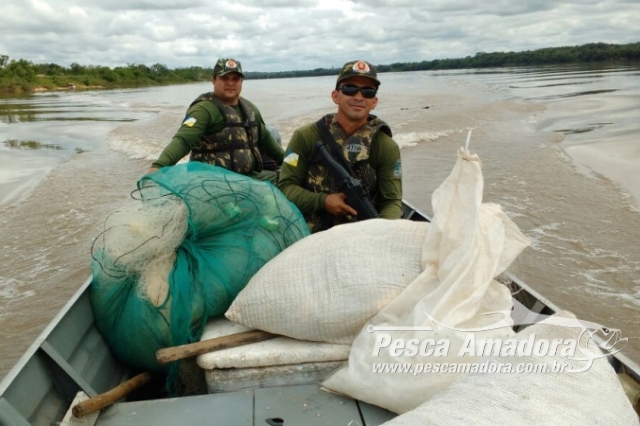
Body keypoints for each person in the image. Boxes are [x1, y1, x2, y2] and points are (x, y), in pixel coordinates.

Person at [278, 59, 403, 233]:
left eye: (368, 92)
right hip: (309, 231)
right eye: (350, 89)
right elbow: (285, 188)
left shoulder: (385, 146)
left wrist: (383, 231)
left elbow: (391, 201)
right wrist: (323, 201)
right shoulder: (305, 137)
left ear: (374, 101)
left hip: (362, 231)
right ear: (335, 96)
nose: (358, 97)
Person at [148, 58, 284, 184]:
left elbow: (267, 141)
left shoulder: (250, 108)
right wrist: (159, 166)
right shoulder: (203, 110)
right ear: (213, 80)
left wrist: (293, 165)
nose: (230, 83)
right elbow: (183, 140)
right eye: (224, 78)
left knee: (290, 181)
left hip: (250, 177)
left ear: (241, 82)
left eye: (235, 79)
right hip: (213, 183)